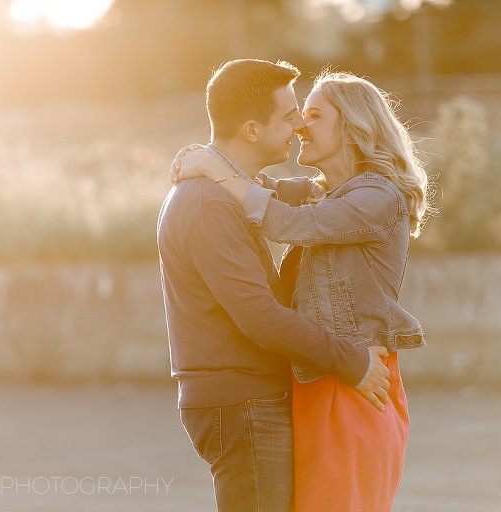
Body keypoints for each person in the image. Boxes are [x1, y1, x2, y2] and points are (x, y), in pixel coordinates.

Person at [173, 70, 430, 512]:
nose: (299, 126)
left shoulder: (378, 198)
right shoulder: (326, 194)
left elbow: (284, 221)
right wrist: (210, 162)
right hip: (320, 377)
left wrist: (214, 168)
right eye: (298, 114)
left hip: (356, 380)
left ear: (352, 127)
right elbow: (264, 189)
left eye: (313, 115)